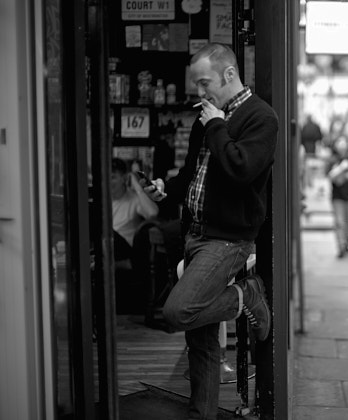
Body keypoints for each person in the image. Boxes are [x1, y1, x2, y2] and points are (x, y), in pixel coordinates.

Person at [144, 42, 278, 420]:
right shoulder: (206, 118)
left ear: (229, 74)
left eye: (205, 83)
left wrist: (216, 123)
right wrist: (166, 190)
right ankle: (201, 413)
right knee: (200, 341)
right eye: (196, 85)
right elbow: (193, 175)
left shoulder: (260, 117)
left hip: (228, 239)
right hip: (195, 233)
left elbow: (241, 169)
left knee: (178, 312)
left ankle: (247, 295)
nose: (200, 93)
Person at [111, 157, 159, 267]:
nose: (109, 181)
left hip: (125, 250)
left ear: (124, 178)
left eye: (113, 177)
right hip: (106, 248)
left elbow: (153, 213)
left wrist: (137, 186)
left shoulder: (134, 199)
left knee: (110, 233)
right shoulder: (104, 201)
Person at [326, 136, 348, 258]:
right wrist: (342, 169)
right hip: (337, 196)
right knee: (339, 222)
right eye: (339, 142)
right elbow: (331, 177)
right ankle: (340, 246)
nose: (342, 145)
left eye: (344, 142)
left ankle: (346, 244)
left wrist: (340, 175)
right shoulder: (332, 160)